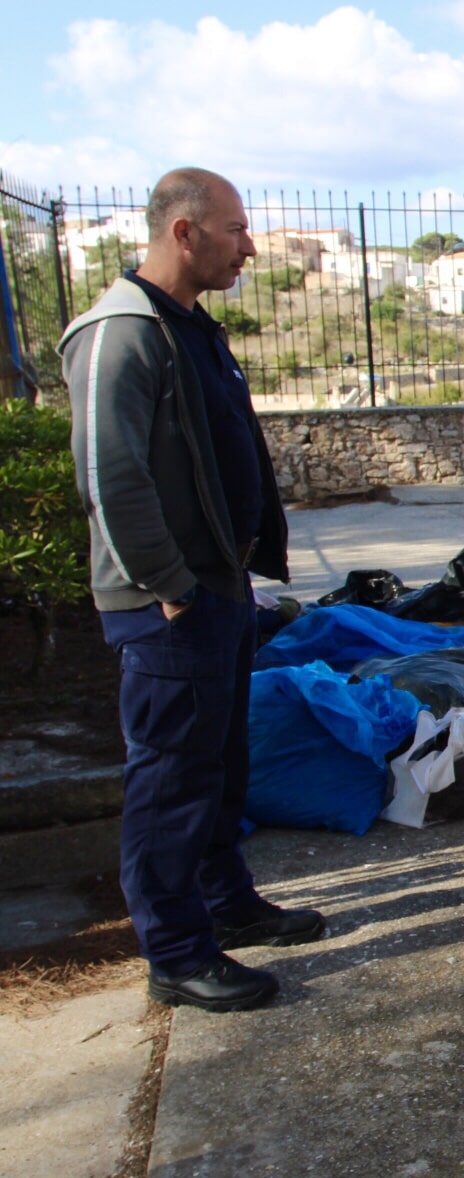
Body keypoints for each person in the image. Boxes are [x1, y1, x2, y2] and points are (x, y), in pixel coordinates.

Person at [59, 167, 319, 1013]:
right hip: (168, 603)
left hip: (217, 591)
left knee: (217, 766)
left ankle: (224, 904)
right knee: (170, 780)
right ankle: (174, 953)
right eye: (237, 230)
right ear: (183, 231)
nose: (249, 246)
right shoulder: (120, 334)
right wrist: (169, 584)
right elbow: (109, 473)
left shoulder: (191, 327)